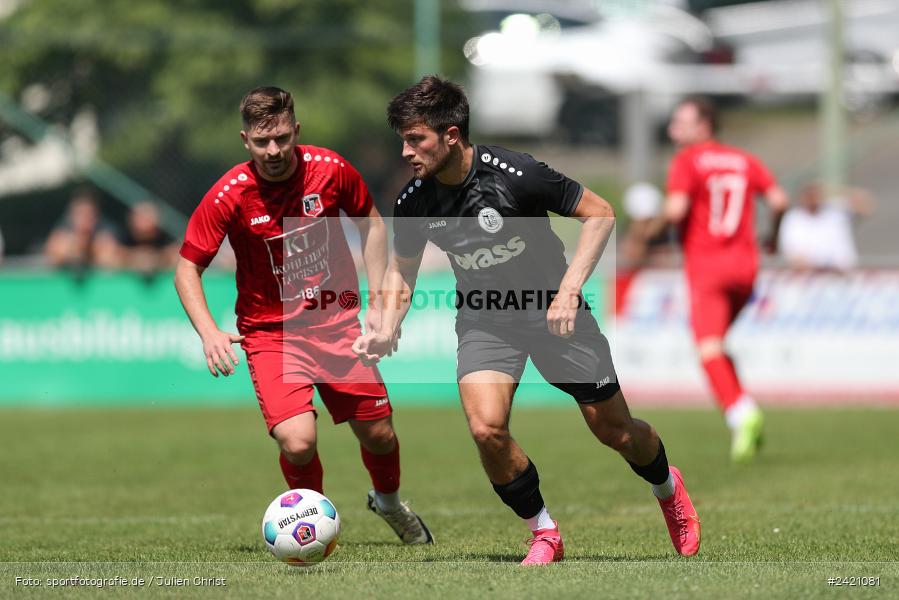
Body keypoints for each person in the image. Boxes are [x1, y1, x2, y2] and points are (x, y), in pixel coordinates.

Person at [353, 76, 700, 564]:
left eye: (416, 139)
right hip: (486, 321)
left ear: (451, 135)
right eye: (403, 141)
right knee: (486, 428)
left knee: (615, 431)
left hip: (555, 313)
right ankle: (545, 533)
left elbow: (599, 214)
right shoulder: (414, 201)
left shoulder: (515, 173)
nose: (407, 152)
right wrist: (388, 325)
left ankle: (668, 490)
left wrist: (570, 289)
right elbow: (401, 272)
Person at [173, 86, 432, 545]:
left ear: (296, 130)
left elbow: (370, 221)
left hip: (335, 324)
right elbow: (187, 268)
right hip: (271, 335)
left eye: (281, 138)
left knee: (379, 434)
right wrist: (208, 331)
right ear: (245, 140)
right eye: (261, 141)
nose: (272, 151)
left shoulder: (329, 170)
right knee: (297, 441)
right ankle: (312, 528)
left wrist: (375, 300)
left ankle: (388, 502)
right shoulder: (229, 195)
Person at [664, 96, 789, 463]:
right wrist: (775, 236)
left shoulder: (687, 160)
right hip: (746, 268)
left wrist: (647, 229)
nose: (673, 129)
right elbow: (780, 201)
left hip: (708, 266)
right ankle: (744, 407)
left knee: (707, 348)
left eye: (680, 122)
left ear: (703, 125)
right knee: (717, 345)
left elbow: (676, 210)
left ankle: (741, 413)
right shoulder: (744, 160)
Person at [778, 182, 872, 273]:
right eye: (810, 195)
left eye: (816, 195)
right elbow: (793, 252)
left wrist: (832, 190)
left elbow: (866, 206)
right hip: (813, 277)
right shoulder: (794, 218)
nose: (813, 199)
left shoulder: (834, 211)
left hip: (843, 275)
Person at [44, 187, 121, 272]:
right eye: (79, 214)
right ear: (71, 215)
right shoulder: (63, 228)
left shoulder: (105, 229)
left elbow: (108, 258)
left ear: (96, 216)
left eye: (88, 214)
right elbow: (54, 256)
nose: (84, 220)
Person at [120, 201, 180, 275]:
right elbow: (109, 254)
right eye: (141, 217)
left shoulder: (166, 236)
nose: (144, 221)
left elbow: (178, 254)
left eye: (147, 218)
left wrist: (157, 259)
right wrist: (133, 257)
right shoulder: (123, 236)